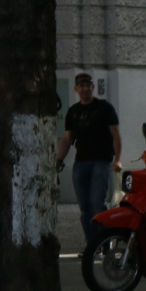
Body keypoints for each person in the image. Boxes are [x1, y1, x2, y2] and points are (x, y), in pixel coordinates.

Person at [56, 73, 121, 244]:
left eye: (88, 85)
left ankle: (105, 244)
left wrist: (118, 159)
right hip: (81, 162)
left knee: (97, 203)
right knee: (85, 207)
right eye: (81, 86)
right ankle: (93, 246)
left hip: (102, 160)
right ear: (76, 89)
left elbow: (116, 135)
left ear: (92, 87)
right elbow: (67, 139)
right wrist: (58, 160)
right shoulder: (73, 112)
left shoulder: (104, 108)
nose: (85, 89)